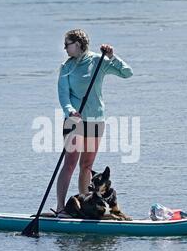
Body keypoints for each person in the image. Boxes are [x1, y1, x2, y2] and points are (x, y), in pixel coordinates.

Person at [55, 29, 133, 216]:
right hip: (74, 121)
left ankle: (85, 207)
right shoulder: (66, 67)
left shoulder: (99, 61)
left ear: (78, 44)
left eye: (67, 44)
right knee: (70, 164)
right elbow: (63, 95)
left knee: (87, 165)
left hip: (96, 121)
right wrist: (70, 111)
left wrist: (112, 56)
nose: (65, 48)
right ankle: (60, 208)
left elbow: (127, 73)